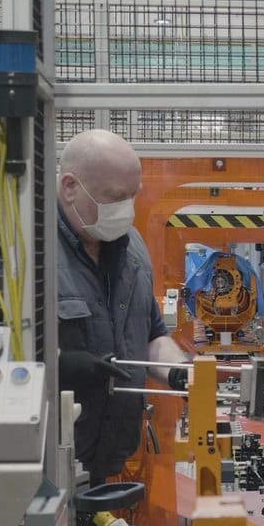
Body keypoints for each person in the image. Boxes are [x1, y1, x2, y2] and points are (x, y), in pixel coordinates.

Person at [56, 129, 188, 485]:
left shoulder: (132, 246)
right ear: (70, 186)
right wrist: (56, 365)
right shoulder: (23, 250)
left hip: (114, 458)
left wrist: (181, 372)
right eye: (115, 197)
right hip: (49, 466)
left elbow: (153, 334)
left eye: (133, 196)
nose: (126, 209)